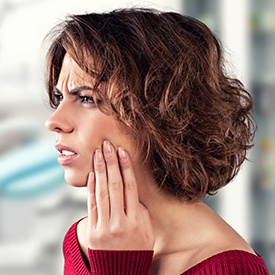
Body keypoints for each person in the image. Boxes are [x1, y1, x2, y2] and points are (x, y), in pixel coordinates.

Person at [44, 8, 269, 274]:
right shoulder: (84, 241)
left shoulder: (232, 269)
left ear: (159, 113)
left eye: (86, 98)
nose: (54, 121)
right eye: (59, 98)